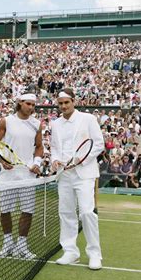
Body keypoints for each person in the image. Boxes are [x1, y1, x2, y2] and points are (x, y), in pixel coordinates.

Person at [50, 88, 105, 270]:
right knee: (66, 213)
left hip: (84, 174)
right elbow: (55, 148)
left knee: (87, 212)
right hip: (63, 174)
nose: (64, 106)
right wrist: (55, 160)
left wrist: (81, 160)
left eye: (67, 102)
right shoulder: (55, 124)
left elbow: (98, 144)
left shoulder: (88, 119)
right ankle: (71, 252)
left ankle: (94, 254)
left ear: (74, 101)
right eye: (61, 103)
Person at [0, 93, 43, 259]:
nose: (31, 107)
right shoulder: (6, 121)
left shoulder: (37, 124)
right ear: (20, 103)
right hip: (8, 173)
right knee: (5, 210)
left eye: (33, 105)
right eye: (28, 104)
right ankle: (7, 243)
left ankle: (21, 245)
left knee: (27, 211)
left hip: (27, 174)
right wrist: (2, 160)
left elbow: (39, 147)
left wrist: (37, 162)